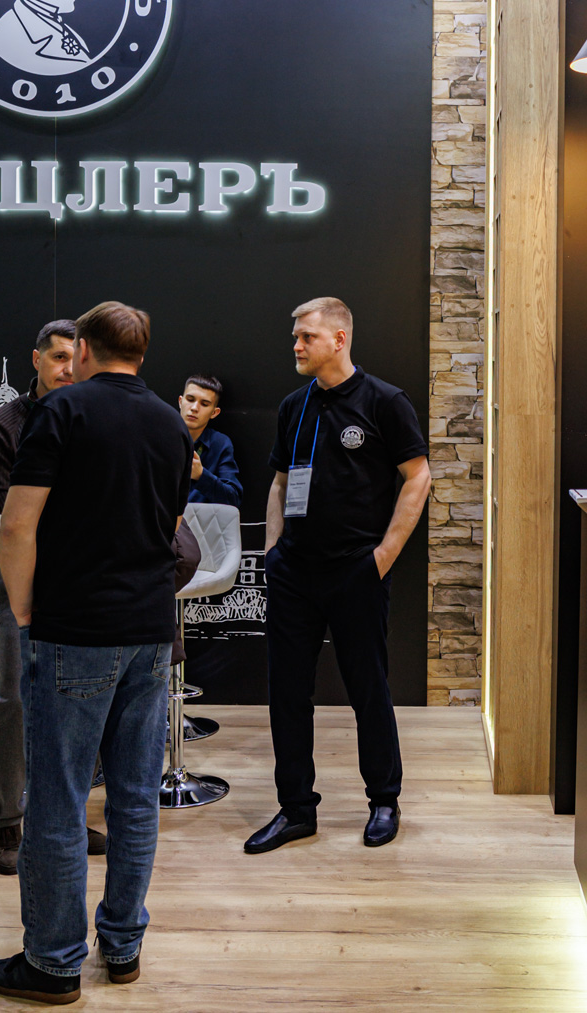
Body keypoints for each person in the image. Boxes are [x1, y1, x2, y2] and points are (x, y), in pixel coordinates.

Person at [0, 302, 193, 1005]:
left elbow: (17, 525)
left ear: (84, 350)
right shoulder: (170, 421)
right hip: (150, 629)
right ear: (141, 352)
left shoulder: (62, 411)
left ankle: (52, 963)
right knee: (134, 797)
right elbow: (171, 524)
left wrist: (21, 608)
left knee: (59, 799)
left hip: (75, 628)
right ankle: (124, 947)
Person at [244, 296, 430, 857]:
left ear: (339, 339)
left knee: (368, 689)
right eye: (295, 336)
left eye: (306, 336)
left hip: (355, 573)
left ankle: (384, 800)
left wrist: (382, 558)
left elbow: (418, 476)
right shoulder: (294, 406)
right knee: (287, 694)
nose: (296, 345)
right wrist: (272, 552)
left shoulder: (385, 401)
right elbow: (281, 483)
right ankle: (296, 809)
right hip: (294, 573)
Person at [0, 319, 106, 875]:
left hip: (84, 574)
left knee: (79, 699)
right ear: (36, 359)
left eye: (75, 358)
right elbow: (2, 511)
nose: (67, 369)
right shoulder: (2, 426)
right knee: (15, 697)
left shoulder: (94, 415)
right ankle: (8, 817)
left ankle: (65, 815)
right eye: (57, 358)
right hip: (24, 575)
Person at [179, 373, 243, 507]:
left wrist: (201, 475)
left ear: (214, 412)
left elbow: (233, 499)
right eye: (190, 399)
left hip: (199, 519)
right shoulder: (160, 437)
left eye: (204, 404)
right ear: (180, 401)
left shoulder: (220, 444)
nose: (194, 408)